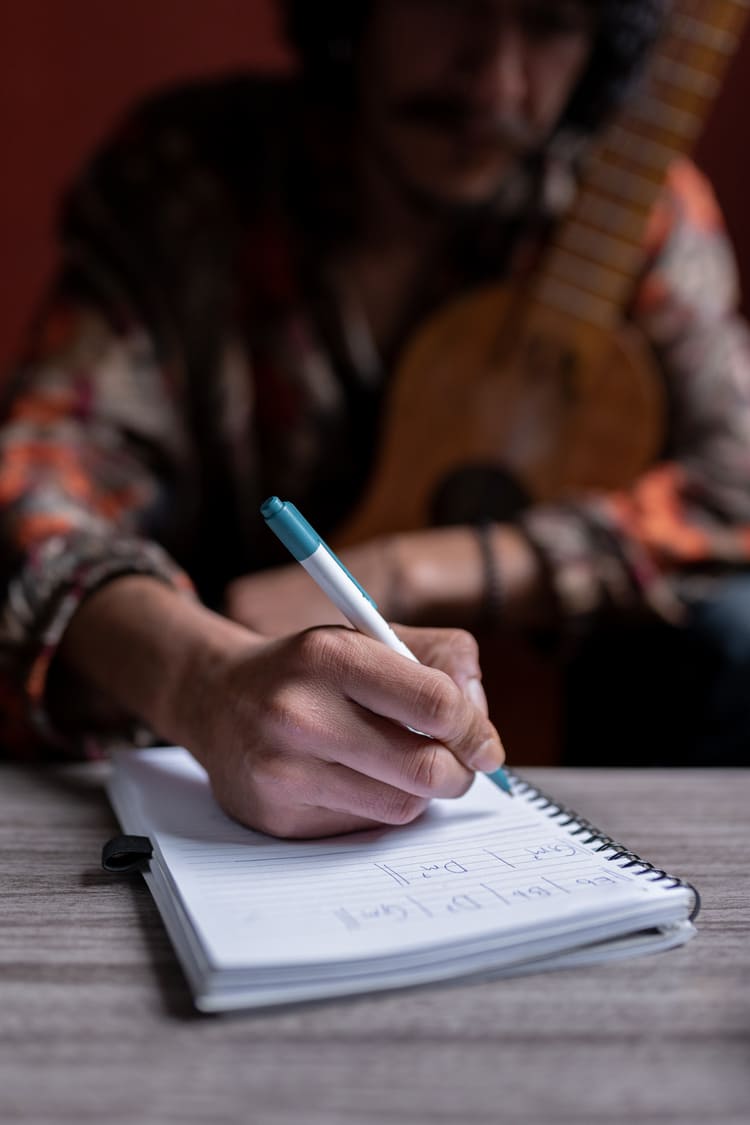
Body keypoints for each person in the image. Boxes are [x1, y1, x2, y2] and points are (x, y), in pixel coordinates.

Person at [1, 0, 749, 836]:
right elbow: (38, 481)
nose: (495, 82)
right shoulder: (194, 178)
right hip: (207, 734)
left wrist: (410, 568)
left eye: (550, 22)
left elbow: (735, 491)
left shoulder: (632, 213)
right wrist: (199, 678)